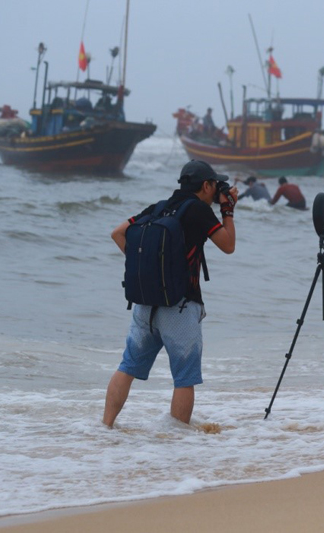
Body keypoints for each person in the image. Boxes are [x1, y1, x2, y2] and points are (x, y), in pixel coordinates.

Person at [103, 160, 237, 426]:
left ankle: (104, 427)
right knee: (184, 378)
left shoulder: (159, 207)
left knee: (127, 367)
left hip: (145, 304)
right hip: (180, 306)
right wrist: (228, 211)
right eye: (214, 185)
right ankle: (177, 444)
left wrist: (149, 269)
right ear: (207, 185)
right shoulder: (198, 210)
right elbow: (228, 245)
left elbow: (118, 233)